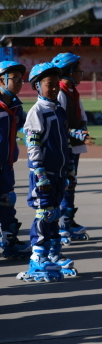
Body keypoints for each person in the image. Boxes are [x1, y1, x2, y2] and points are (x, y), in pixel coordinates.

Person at [17, 63, 77, 282]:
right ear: (37, 86)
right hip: (44, 174)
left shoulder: (58, 110)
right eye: (48, 85)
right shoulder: (37, 112)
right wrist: (39, 171)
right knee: (44, 214)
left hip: (59, 173)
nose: (53, 89)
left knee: (55, 214)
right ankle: (37, 257)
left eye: (56, 85)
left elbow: (65, 142)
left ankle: (53, 253)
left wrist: (69, 167)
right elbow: (32, 144)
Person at [52, 52, 95, 244]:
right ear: (68, 72)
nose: (81, 73)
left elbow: (81, 116)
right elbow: (59, 124)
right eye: (78, 70)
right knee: (66, 183)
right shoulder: (61, 94)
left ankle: (68, 220)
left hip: (73, 146)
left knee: (71, 182)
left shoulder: (72, 92)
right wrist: (78, 134)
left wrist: (82, 130)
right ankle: (61, 224)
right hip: (64, 148)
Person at [0, 61, 30, 259]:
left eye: (21, 79)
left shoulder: (16, 105)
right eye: (15, 79)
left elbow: (28, 127)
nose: (20, 83)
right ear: (2, 80)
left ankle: (9, 242)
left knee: (7, 202)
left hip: (6, 165)